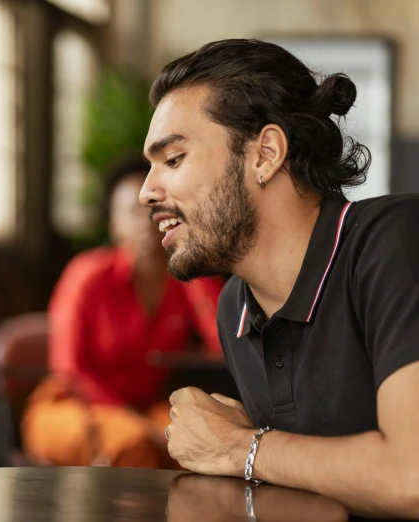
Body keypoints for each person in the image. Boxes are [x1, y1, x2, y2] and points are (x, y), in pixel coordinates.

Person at [141, 38, 419, 519]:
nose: (147, 191)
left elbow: (411, 476)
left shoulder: (394, 240)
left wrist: (241, 448)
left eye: (174, 159)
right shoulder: (236, 306)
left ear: (265, 153)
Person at [21, 156, 224, 468]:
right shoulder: (87, 275)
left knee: (195, 445)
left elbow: (222, 346)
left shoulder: (181, 280)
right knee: (135, 445)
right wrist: (130, 417)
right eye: (132, 211)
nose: (145, 221)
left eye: (155, 209)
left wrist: (193, 263)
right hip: (72, 406)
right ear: (113, 222)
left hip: (145, 407)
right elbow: (69, 370)